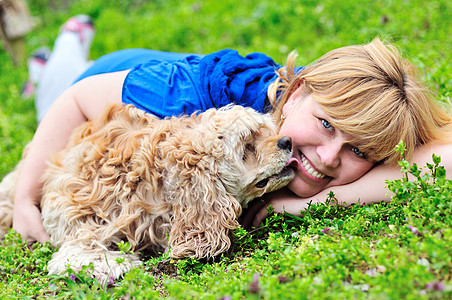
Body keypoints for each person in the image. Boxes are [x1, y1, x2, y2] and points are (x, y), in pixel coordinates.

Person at [12, 15, 452, 243]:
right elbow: (78, 100)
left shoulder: (346, 133)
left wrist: (301, 207)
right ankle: (63, 50)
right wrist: (21, 196)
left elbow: (444, 163)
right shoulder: (197, 99)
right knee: (54, 93)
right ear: (295, 92)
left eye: (358, 152)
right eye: (325, 124)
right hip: (111, 83)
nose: (328, 157)